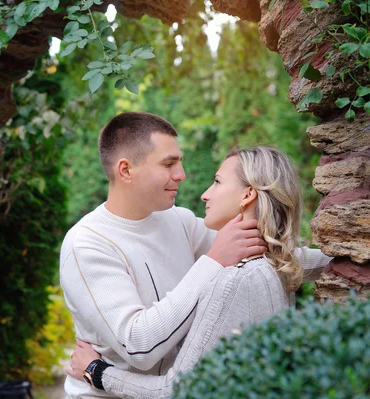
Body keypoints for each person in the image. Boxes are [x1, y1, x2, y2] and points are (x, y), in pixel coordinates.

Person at [59, 112, 329, 398]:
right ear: (126, 170)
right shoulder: (87, 244)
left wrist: (345, 257)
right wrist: (212, 261)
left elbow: (265, 252)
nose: (182, 175)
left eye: (180, 161)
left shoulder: (179, 220)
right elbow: (139, 345)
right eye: (168, 163)